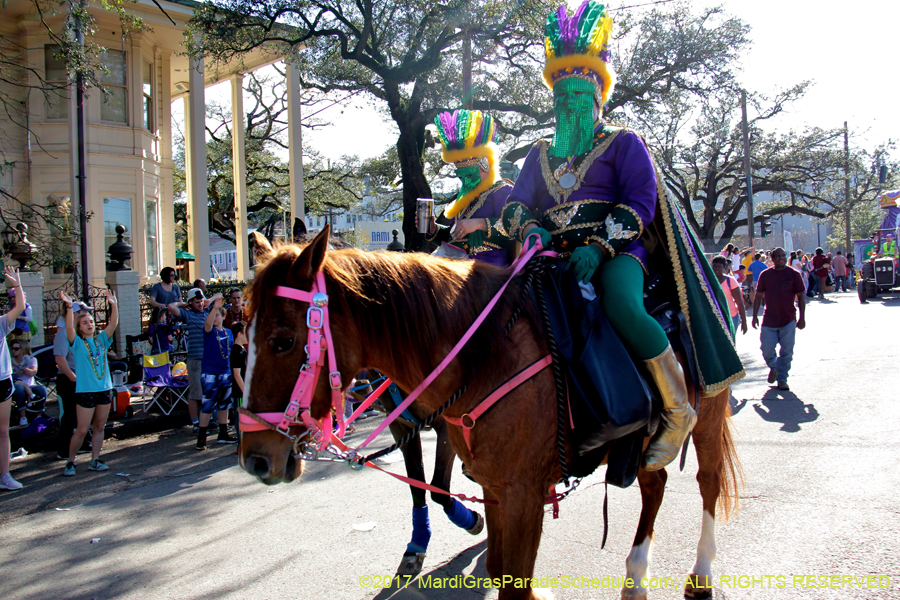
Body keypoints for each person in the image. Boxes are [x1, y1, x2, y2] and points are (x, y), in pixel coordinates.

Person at [494, 0, 743, 471]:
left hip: (617, 252)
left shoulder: (624, 142)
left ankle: (675, 408)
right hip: (549, 256)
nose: (569, 104)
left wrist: (598, 246)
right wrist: (527, 228)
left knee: (620, 304)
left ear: (597, 99)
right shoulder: (537, 153)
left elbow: (639, 202)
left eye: (578, 96)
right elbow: (514, 204)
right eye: (560, 96)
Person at [422, 109, 516, 267]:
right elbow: (455, 238)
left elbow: (515, 225)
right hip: (457, 264)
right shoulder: (465, 199)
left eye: (469, 175)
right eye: (462, 176)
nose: (465, 181)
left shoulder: (503, 191)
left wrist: (481, 224)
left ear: (485, 165)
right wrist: (435, 229)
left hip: (489, 268)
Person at [59, 288, 119, 476]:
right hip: (85, 391)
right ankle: (70, 461)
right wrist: (69, 308)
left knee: (100, 426)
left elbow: (113, 324)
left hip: (104, 389)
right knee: (82, 429)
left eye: (91, 321)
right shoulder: (76, 342)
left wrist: (113, 305)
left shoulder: (101, 341)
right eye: (85, 322)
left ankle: (95, 459)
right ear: (80, 327)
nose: (90, 324)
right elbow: (69, 328)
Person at [167, 288, 221, 433]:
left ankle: (208, 419)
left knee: (208, 390)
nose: (200, 304)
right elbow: (171, 307)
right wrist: (183, 304)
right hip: (195, 359)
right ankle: (195, 422)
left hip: (208, 359)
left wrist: (208, 300)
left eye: (201, 301)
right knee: (195, 393)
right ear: (191, 303)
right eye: (197, 302)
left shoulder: (206, 311)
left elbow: (220, 295)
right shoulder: (188, 314)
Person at [752, 247, 806, 392]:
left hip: (788, 319)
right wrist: (755, 316)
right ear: (772, 258)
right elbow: (758, 296)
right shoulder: (765, 275)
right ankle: (774, 367)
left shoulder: (794, 274)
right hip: (769, 320)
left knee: (787, 351)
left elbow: (801, 297)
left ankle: (782, 378)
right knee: (766, 348)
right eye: (778, 256)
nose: (781, 258)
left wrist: (802, 318)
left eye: (783, 255)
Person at [196, 296, 237, 449]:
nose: (214, 318)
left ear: (224, 317)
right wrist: (214, 308)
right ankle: (201, 437)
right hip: (210, 374)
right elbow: (207, 324)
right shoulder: (209, 332)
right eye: (213, 315)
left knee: (225, 405)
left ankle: (223, 433)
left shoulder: (228, 333)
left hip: (225, 373)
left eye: (218, 315)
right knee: (207, 405)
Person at [54, 302, 93, 460]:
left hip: (80, 379)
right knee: (70, 415)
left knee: (82, 414)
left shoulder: (80, 334)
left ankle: (83, 444)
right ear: (75, 315)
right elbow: (60, 359)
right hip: (68, 380)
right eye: (83, 313)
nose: (86, 316)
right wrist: (73, 378)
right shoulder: (63, 334)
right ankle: (64, 450)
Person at [0, 267, 27, 491]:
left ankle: (5, 475)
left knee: (2, 431)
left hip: (2, 381)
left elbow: (19, 307)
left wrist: (16, 286)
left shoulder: (0, 323)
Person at [10, 340, 47, 426]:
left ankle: (39, 415)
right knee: (19, 389)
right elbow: (17, 374)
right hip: (17, 385)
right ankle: (23, 417)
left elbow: (32, 373)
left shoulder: (32, 359)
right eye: (12, 349)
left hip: (31, 385)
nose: (13, 351)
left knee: (42, 389)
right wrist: (15, 364)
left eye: (16, 349)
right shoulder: (11, 361)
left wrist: (21, 366)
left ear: (23, 349)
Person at [712, 256, 747, 339]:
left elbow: (739, 302)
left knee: (730, 341)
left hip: (731, 316)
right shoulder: (708, 281)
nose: (716, 269)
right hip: (715, 316)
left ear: (724, 267)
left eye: (719, 266)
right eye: (714, 266)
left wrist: (744, 322)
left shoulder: (730, 281)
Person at [230, 322, 247, 442]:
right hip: (239, 392)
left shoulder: (242, 349)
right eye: (245, 333)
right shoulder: (236, 351)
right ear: (239, 334)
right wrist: (245, 391)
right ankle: (240, 444)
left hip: (244, 390)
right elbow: (237, 374)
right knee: (240, 418)